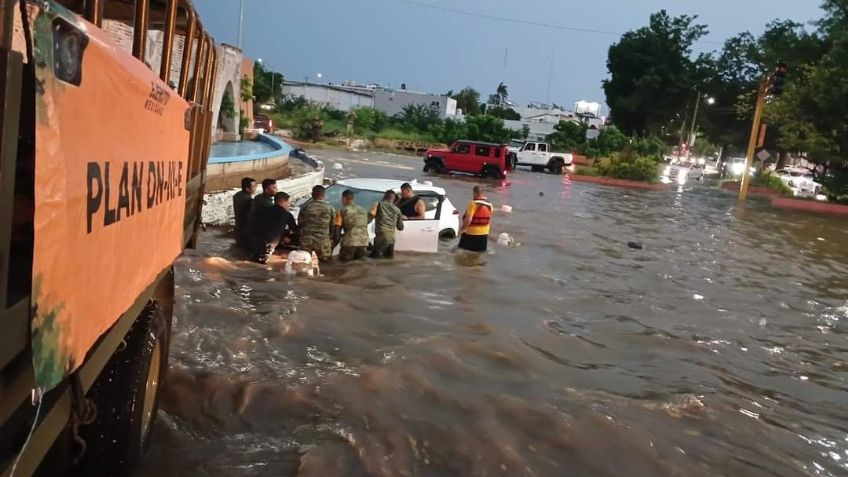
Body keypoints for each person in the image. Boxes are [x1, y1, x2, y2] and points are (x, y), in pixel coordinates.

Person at [251, 192, 297, 264]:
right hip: (270, 243)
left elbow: (271, 226)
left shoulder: (264, 211)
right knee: (261, 265)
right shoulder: (286, 214)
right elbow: (295, 229)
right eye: (288, 202)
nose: (288, 204)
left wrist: (283, 235)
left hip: (256, 239)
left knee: (254, 261)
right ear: (282, 201)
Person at [298, 185, 336, 262]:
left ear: (312, 194)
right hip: (323, 241)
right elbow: (332, 225)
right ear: (324, 195)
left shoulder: (305, 207)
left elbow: (300, 223)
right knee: (325, 265)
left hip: (307, 240)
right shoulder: (330, 208)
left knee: (304, 263)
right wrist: (330, 236)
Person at [334, 189, 369, 262]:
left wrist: (332, 246)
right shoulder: (363, 210)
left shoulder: (342, 210)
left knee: (343, 267)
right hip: (364, 242)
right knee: (360, 267)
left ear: (344, 198)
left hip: (350, 242)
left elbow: (337, 229)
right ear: (353, 198)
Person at [369, 189, 404, 259]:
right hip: (391, 239)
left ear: (384, 197)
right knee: (389, 261)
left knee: (374, 260)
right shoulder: (397, 210)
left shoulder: (378, 205)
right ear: (394, 199)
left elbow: (370, 218)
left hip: (380, 238)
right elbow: (400, 227)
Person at [458, 186, 492, 252]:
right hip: (484, 235)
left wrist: (461, 230)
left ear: (475, 193)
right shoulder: (490, 204)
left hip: (471, 234)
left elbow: (468, 220)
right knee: (479, 254)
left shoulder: (473, 204)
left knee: (461, 252)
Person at [233, 177, 256, 247]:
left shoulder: (237, 195)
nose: (255, 188)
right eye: (254, 186)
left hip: (238, 231)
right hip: (245, 233)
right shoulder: (248, 200)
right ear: (247, 189)